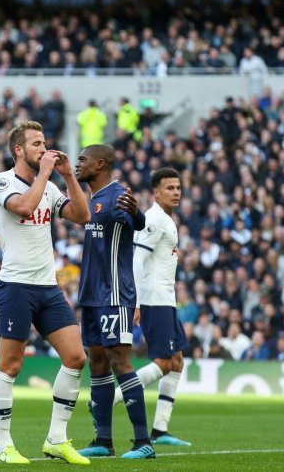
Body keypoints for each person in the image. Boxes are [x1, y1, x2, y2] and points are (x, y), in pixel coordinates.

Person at [0, 120, 91, 465]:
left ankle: (56, 439)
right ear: (18, 150)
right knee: (11, 365)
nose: (44, 149)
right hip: (16, 286)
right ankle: (4, 446)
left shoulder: (48, 186)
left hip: (48, 286)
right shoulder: (1, 182)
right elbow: (23, 208)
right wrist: (46, 174)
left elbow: (81, 214)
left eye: (45, 143)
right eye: (36, 144)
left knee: (76, 357)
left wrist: (69, 176)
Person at [74, 145, 155, 459]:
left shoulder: (118, 194)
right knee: (96, 362)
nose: (78, 164)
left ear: (101, 163)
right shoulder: (90, 199)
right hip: (91, 295)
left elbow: (138, 222)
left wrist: (136, 211)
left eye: (83, 160)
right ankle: (103, 441)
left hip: (115, 293)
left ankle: (143, 442)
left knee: (120, 361)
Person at [112, 167, 191, 446]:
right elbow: (138, 260)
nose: (176, 192)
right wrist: (134, 301)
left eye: (178, 187)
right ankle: (116, 394)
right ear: (156, 192)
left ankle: (160, 429)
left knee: (177, 361)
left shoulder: (168, 220)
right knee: (165, 362)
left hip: (166, 299)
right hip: (153, 299)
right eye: (170, 188)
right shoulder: (154, 220)